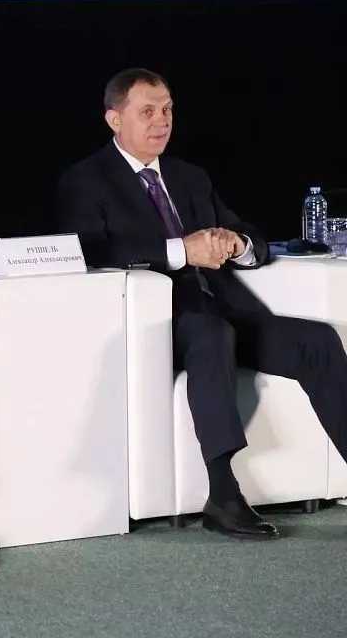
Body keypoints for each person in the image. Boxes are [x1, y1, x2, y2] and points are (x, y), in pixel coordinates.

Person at [57, 68, 347, 538]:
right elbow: (90, 250)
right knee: (212, 334)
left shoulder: (189, 176)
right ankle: (223, 495)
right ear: (115, 119)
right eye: (147, 112)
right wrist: (181, 251)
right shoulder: (86, 180)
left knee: (316, 339)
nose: (162, 121)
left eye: (167, 109)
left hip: (222, 307)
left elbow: (250, 235)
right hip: (157, 319)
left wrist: (237, 244)